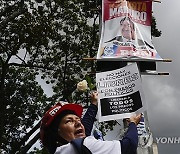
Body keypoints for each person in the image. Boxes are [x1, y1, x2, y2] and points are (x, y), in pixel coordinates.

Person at [40, 91, 142, 154]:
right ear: (58, 133)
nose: (78, 123)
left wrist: (94, 104)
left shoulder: (64, 151)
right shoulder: (86, 145)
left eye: (78, 119)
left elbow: (86, 128)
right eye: (69, 121)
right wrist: (132, 124)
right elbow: (129, 146)